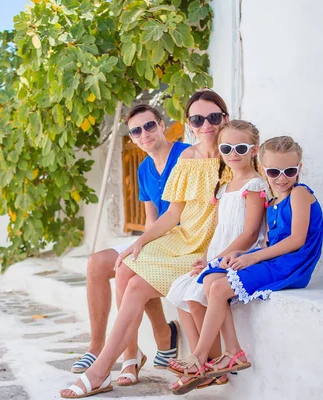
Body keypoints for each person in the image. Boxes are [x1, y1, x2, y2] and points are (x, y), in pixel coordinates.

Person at [60, 89, 229, 398]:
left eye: (213, 117)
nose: (206, 124)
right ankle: (120, 356)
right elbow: (164, 216)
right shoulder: (175, 162)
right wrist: (140, 244)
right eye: (197, 119)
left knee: (131, 276)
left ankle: (121, 361)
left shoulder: (228, 153)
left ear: (163, 124)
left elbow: (237, 213)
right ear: (188, 122)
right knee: (122, 264)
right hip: (175, 240)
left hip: (203, 245)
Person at [168, 136, 323, 394]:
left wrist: (253, 257)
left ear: (300, 168)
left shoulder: (300, 193)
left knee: (219, 289)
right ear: (263, 169)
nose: (282, 178)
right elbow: (267, 243)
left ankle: (199, 356)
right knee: (210, 279)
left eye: (290, 171)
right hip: (275, 261)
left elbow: (297, 240)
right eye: (274, 171)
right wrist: (240, 253)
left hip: (293, 265)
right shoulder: (273, 202)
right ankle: (233, 352)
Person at [71, 104, 189, 377]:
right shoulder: (144, 168)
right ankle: (97, 345)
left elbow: (175, 214)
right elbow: (151, 218)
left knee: (132, 265)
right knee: (97, 264)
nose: (144, 134)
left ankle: (131, 355)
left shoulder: (184, 155)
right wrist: (145, 244)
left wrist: (145, 246)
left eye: (149, 126)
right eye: (136, 131)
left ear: (162, 125)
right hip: (158, 235)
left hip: (182, 239)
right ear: (133, 138)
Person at [166, 119, 268, 390]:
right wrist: (208, 258)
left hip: (240, 254)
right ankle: (218, 360)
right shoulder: (225, 186)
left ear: (254, 150)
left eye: (241, 147)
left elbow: (248, 234)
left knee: (205, 286)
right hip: (220, 253)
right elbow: (222, 228)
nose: (233, 153)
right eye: (226, 147)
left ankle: (200, 361)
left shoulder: (255, 184)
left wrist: (216, 261)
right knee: (182, 289)